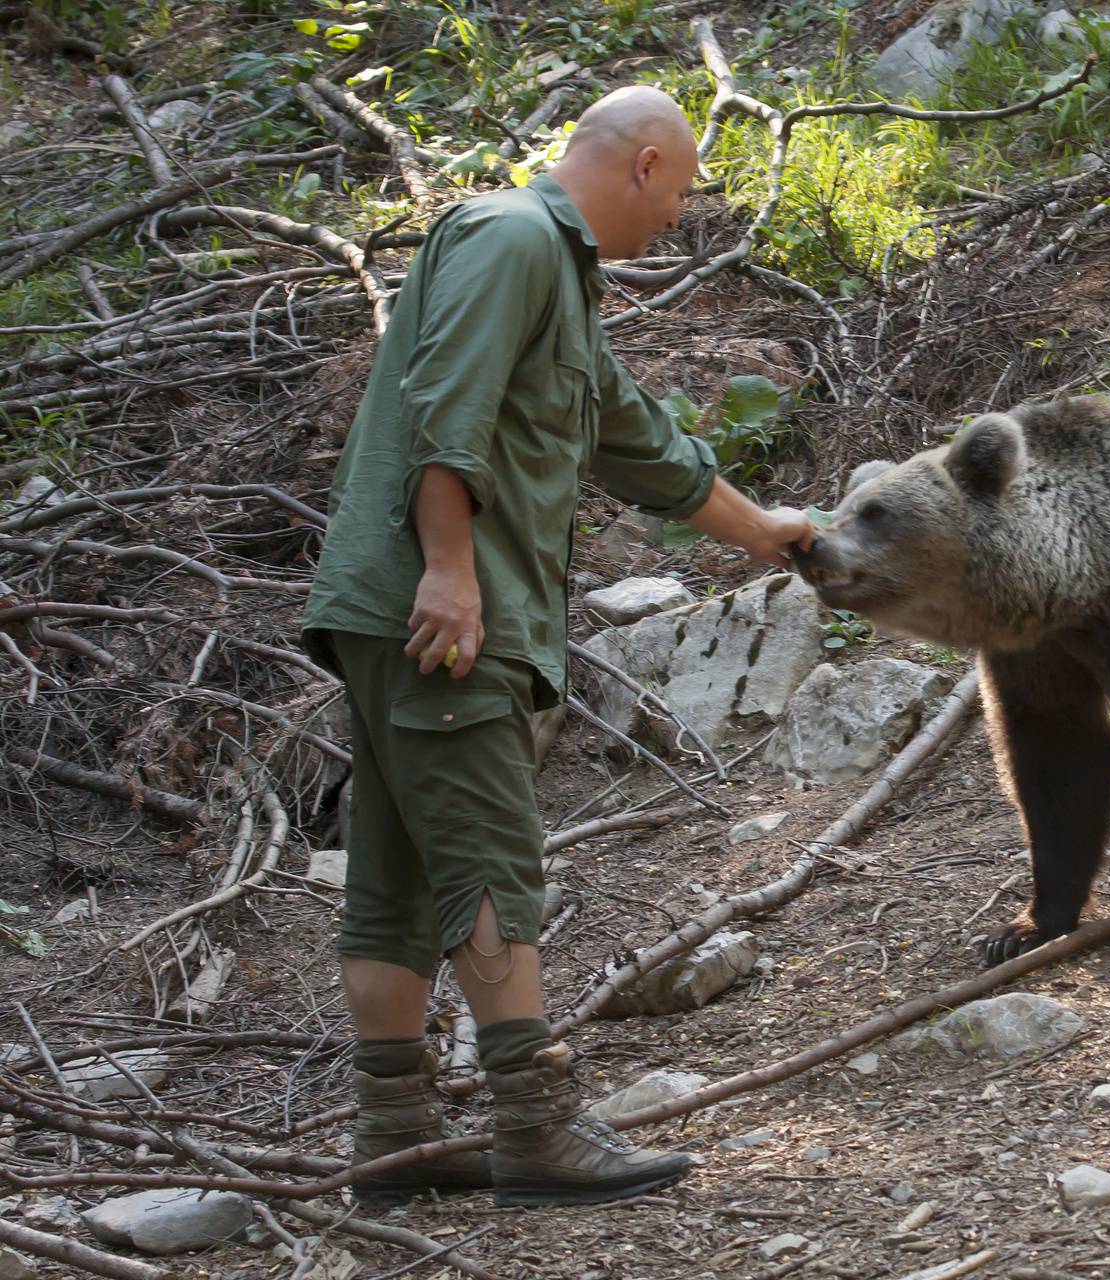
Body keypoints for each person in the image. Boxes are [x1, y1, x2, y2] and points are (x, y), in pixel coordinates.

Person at [301, 85, 814, 1207]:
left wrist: (768, 531)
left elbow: (644, 444)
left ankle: (393, 1137)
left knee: (396, 867)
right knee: (490, 851)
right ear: (640, 165)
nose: (677, 217)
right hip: (440, 607)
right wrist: (449, 566)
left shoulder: (559, 285)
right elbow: (449, 399)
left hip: (402, 608)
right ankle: (533, 1120)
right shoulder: (513, 235)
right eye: (679, 190)